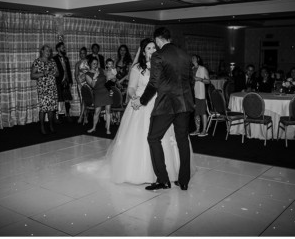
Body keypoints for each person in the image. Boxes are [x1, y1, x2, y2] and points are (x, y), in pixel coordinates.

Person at [76, 39, 187, 184]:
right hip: (140, 104)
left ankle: (171, 173)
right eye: (148, 48)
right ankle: (143, 172)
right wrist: (135, 96)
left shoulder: (161, 64)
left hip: (161, 104)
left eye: (154, 47)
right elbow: (131, 87)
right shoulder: (137, 68)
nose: (152, 50)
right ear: (143, 51)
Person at [136, 27, 194, 191]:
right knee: (182, 140)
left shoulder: (158, 55)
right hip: (185, 104)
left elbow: (154, 83)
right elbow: (191, 81)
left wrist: (142, 101)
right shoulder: (185, 55)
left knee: (153, 138)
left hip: (166, 105)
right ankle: (184, 181)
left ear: (158, 40)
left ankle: (163, 180)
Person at [30, 45, 60, 135]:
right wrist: (43, 73)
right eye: (46, 50)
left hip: (52, 88)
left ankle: (50, 126)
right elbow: (32, 75)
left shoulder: (52, 61)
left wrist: (54, 73)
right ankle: (42, 127)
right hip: (43, 88)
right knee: (43, 109)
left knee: (51, 108)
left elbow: (58, 73)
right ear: (42, 51)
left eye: (49, 50)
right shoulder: (37, 62)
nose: (48, 52)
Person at [85, 58, 112, 134]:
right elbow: (93, 86)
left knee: (108, 111)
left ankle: (108, 129)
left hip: (106, 92)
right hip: (98, 93)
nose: (95, 65)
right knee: (97, 112)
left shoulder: (101, 69)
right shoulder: (87, 74)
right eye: (93, 63)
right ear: (90, 64)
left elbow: (108, 78)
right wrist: (94, 77)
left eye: (96, 63)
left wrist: (110, 74)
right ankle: (93, 128)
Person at [52, 42, 74, 122]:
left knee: (67, 99)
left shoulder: (66, 58)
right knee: (58, 99)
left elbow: (68, 70)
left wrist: (70, 81)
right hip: (58, 81)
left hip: (66, 81)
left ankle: (67, 114)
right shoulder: (53, 59)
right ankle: (56, 116)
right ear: (58, 49)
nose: (64, 48)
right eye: (62, 47)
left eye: (64, 47)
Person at [190, 54, 210, 137]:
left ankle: (204, 130)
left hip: (201, 93)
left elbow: (208, 81)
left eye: (194, 57)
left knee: (202, 111)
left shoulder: (202, 68)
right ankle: (198, 130)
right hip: (193, 93)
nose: (192, 59)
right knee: (196, 112)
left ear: (198, 59)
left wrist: (200, 79)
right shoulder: (191, 69)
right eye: (192, 58)